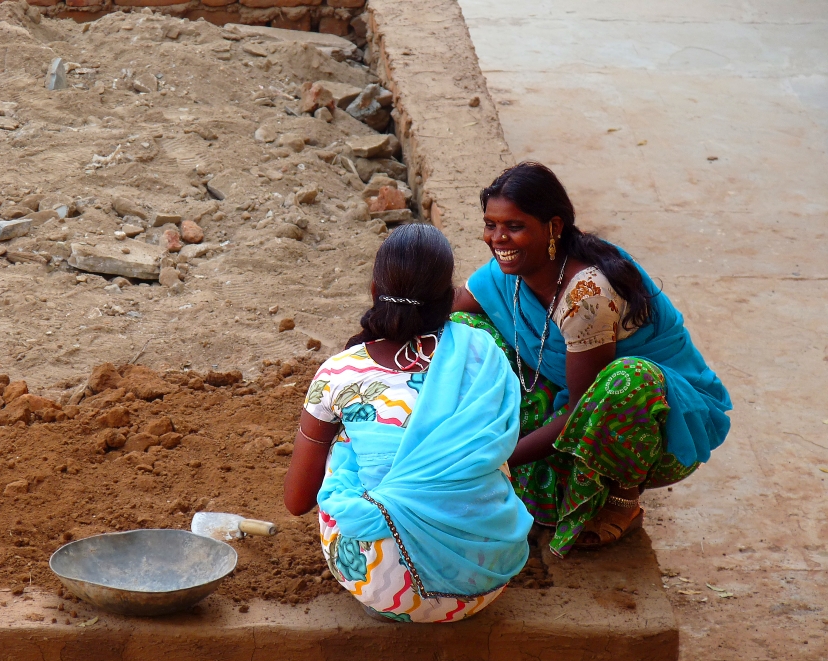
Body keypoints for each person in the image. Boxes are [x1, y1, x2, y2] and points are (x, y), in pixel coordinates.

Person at [452, 161, 732, 557]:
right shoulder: (511, 274)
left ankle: (623, 497)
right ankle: (543, 474)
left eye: (514, 226)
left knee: (627, 381)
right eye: (490, 225)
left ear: (552, 227)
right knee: (465, 330)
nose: (498, 239)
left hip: (654, 427)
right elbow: (450, 309)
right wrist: (382, 325)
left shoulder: (588, 295)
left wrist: (494, 461)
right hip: (572, 403)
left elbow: (582, 411)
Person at [283, 223, 533, 623]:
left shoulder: (340, 372)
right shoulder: (483, 354)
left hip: (381, 587)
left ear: (373, 289)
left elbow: (297, 501)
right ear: (449, 296)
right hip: (483, 581)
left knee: (350, 434)